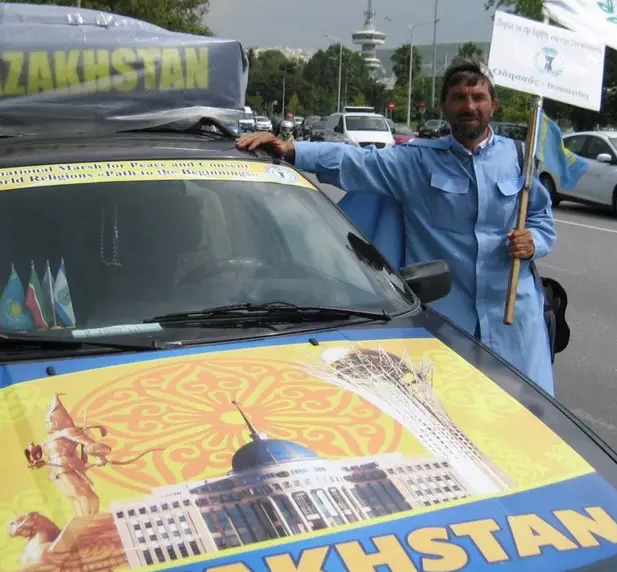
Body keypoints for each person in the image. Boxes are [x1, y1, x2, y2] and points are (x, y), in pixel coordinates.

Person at [236, 58, 557, 394]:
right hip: (448, 326)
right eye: (459, 98)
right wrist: (292, 151)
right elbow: (355, 161)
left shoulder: (518, 159)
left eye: (478, 97)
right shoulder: (417, 161)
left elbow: (541, 219)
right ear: (444, 106)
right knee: (449, 411)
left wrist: (533, 241)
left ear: (494, 104)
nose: (469, 106)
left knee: (528, 415)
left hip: (513, 324)